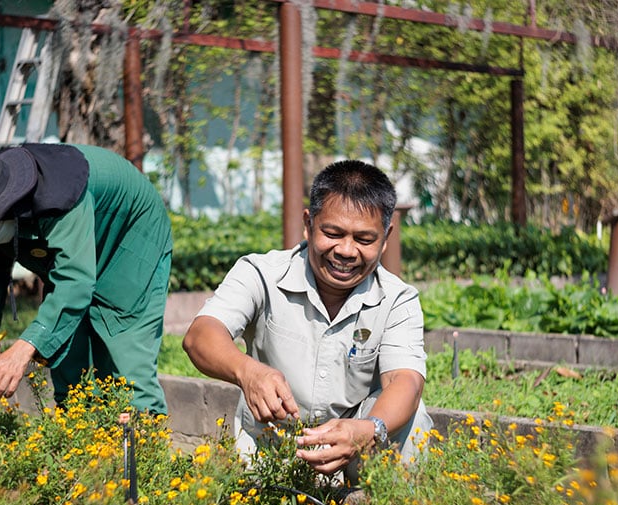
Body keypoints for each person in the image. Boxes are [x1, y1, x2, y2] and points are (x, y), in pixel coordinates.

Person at [182, 160, 432, 479]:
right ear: (308, 224)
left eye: (364, 240)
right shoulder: (261, 274)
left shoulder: (398, 298)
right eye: (332, 233)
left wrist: (369, 430)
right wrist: (248, 371)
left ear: (386, 237)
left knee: (412, 418)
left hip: (357, 452)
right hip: (273, 449)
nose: (346, 250)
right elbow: (200, 335)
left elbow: (405, 381)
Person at [0, 142, 172, 414]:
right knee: (67, 355)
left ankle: (142, 439)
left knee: (123, 357)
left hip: (128, 237)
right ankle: (80, 439)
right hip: (75, 252)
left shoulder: (58, 195)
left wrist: (24, 348)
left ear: (3, 206)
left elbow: (75, 282)